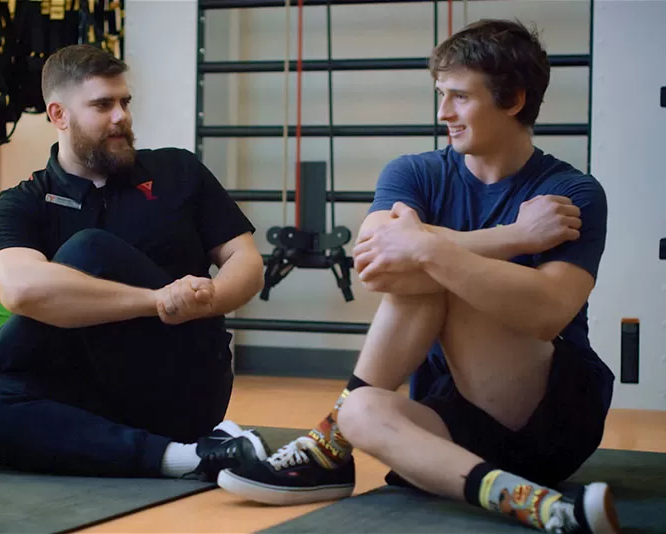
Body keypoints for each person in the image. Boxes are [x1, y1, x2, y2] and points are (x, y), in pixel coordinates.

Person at [216, 19, 621, 534]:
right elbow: (376, 264)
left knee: (432, 275)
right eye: (440, 95)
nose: (442, 113)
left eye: (459, 97)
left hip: (552, 412)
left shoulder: (571, 194)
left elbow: (547, 313)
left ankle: (326, 446)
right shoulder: (414, 172)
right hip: (458, 415)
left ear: (514, 100)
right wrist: (513, 238)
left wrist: (427, 246)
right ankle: (538, 506)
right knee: (360, 410)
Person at [0, 44, 272, 481]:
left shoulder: (178, 171)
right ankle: (190, 459)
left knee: (89, 251)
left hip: (184, 380)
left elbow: (246, 260)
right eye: (102, 105)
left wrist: (211, 297)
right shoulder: (20, 204)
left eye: (125, 102)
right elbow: (22, 290)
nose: (121, 116)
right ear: (58, 115)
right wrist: (156, 298)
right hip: (89, 391)